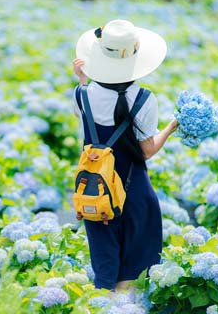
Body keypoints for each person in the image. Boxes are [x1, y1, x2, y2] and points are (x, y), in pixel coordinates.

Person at [72, 19, 178, 294]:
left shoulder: (81, 96)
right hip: (134, 193)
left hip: (96, 191)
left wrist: (83, 81)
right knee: (135, 273)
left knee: (105, 272)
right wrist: (172, 126)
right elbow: (147, 150)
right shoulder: (144, 99)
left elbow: (87, 111)